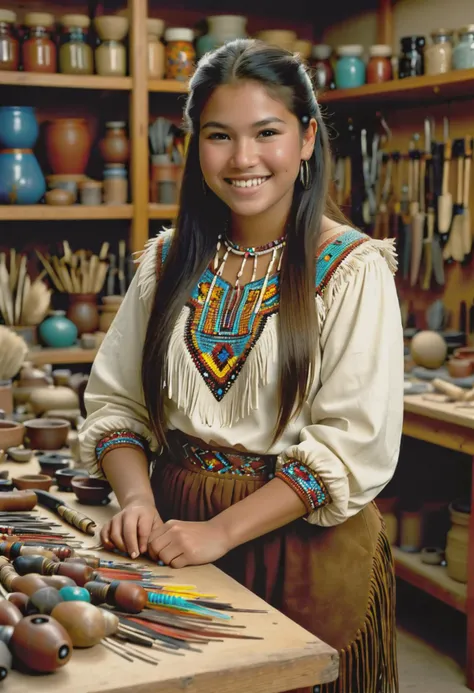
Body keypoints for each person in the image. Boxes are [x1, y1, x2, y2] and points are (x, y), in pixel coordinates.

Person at [79, 39, 404, 693]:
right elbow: (116, 403)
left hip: (301, 543)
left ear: (307, 138)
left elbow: (350, 444)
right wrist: (137, 499)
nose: (244, 158)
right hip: (171, 532)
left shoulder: (352, 269)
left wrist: (220, 531)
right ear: (193, 146)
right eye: (220, 136)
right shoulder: (166, 262)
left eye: (267, 132)